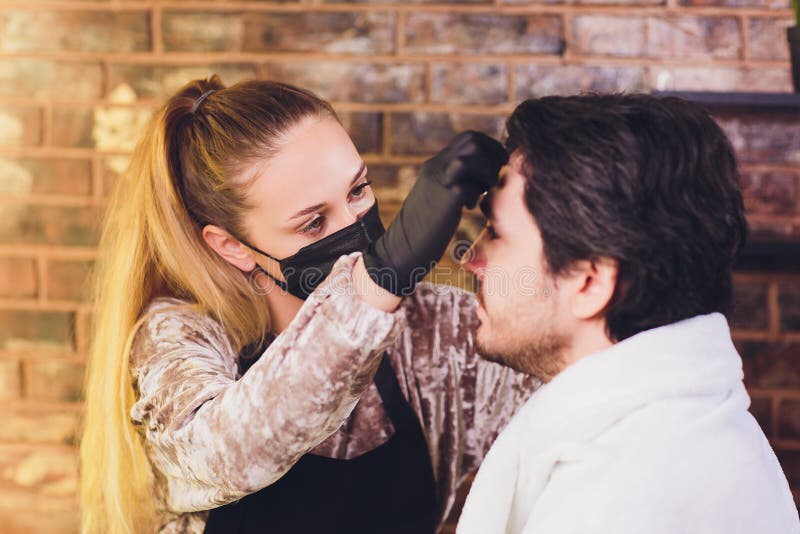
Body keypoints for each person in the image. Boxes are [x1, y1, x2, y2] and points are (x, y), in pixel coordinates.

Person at [79, 75, 538, 534]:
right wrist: (381, 278)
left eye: (358, 190)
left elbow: (571, 390)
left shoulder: (431, 330)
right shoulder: (178, 339)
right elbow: (228, 451)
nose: (354, 230)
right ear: (232, 246)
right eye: (314, 223)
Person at [456, 93, 800, 534]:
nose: (470, 259)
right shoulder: (698, 425)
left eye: (497, 233)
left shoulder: (617, 502)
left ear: (589, 283)